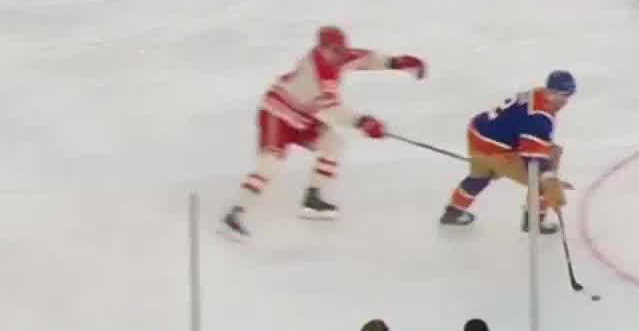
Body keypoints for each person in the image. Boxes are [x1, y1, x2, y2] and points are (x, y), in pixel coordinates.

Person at [222, 27, 426, 239]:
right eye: (334, 50)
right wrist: (362, 122)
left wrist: (398, 62)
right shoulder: (316, 73)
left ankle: (312, 199)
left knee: (333, 145)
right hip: (277, 114)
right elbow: (331, 110)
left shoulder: (337, 57)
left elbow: (365, 59)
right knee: (270, 165)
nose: (339, 55)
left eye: (341, 49)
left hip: (304, 115)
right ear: (321, 48)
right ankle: (235, 213)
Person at [442, 71, 575, 233]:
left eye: (567, 96)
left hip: (478, 132)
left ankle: (453, 212)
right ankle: (534, 222)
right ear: (549, 91)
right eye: (558, 95)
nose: (563, 101)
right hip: (497, 150)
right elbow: (532, 160)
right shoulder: (538, 118)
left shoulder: (537, 93)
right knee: (541, 180)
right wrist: (550, 182)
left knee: (480, 175)